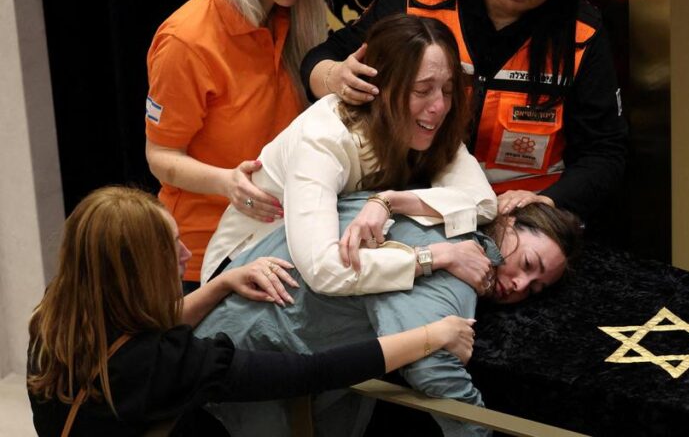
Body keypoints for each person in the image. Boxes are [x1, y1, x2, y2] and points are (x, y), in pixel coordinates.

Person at [26, 186, 476, 437]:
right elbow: (306, 372)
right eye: (170, 250)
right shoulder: (170, 364)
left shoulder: (56, 313)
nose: (186, 255)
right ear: (135, 272)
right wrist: (431, 336)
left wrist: (221, 283)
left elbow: (135, 339)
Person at [300, 0, 628, 224]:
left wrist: (547, 201)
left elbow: (605, 152)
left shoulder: (581, 32)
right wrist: (333, 76)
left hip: (522, 215)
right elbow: (323, 56)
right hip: (409, 201)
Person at [195, 191, 583, 437]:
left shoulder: (448, 200)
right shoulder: (462, 270)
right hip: (237, 370)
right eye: (528, 263)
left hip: (221, 334)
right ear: (509, 220)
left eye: (536, 288)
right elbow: (432, 370)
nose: (520, 285)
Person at [200, 14, 498, 297]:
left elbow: (483, 203)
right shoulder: (324, 136)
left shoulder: (431, 126)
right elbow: (323, 269)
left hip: (311, 270)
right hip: (242, 273)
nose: (439, 107)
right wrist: (435, 257)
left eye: (447, 90)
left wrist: (389, 201)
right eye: (422, 90)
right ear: (378, 88)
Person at [145, 0, 328, 290]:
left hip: (281, 241)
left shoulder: (290, 19)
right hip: (202, 257)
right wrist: (227, 182)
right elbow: (160, 155)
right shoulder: (187, 41)